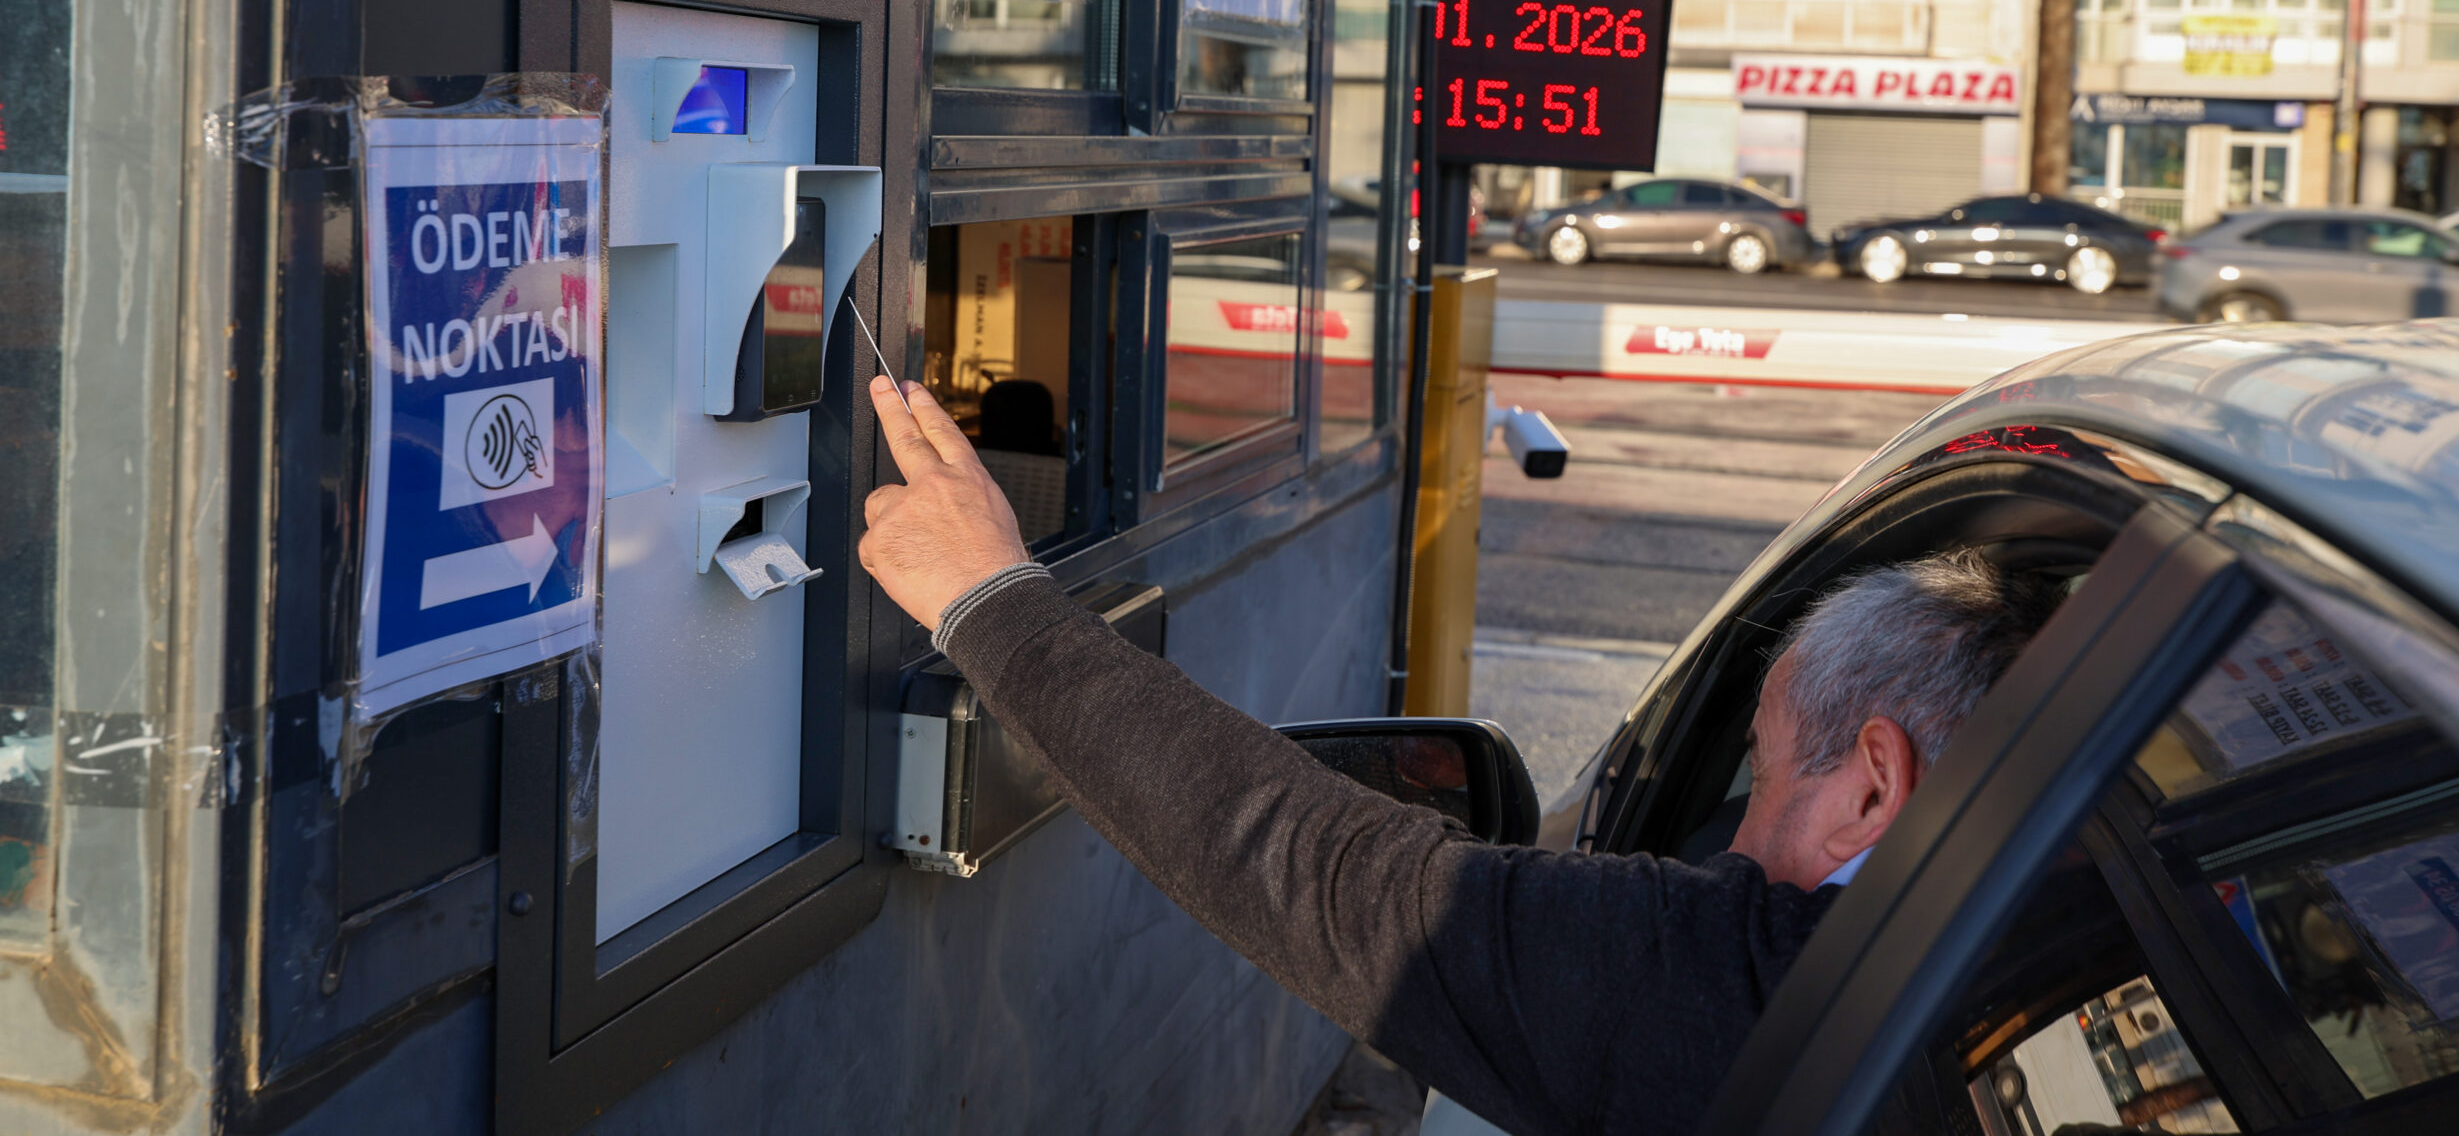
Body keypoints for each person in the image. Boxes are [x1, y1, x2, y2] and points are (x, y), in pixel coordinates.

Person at [859, 376, 2064, 1136]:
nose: (1732, 843)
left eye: (1763, 772)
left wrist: (989, 598)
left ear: (1869, 786)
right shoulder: (2075, 944)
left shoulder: (1755, 989)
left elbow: (1299, 860)